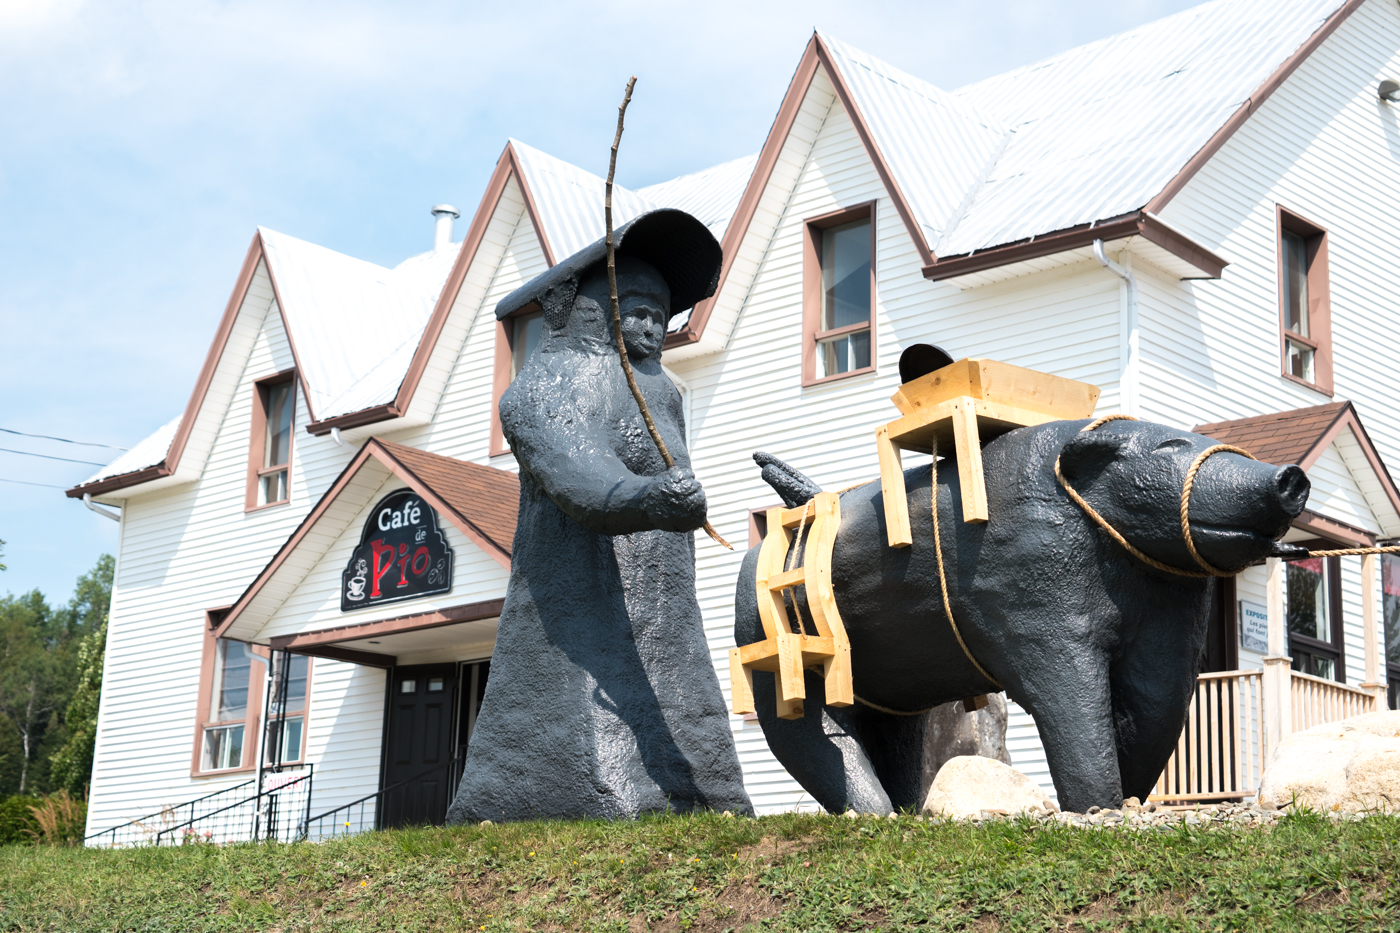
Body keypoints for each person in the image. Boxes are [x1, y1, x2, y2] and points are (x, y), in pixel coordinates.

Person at [447, 210, 753, 821]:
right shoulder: (556, 377)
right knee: (612, 754)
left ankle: (705, 798)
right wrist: (648, 500)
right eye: (635, 309)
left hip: (665, 609)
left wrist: (677, 499)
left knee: (689, 722)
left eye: (660, 314)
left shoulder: (661, 390)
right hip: (583, 609)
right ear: (593, 308)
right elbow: (579, 474)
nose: (652, 327)